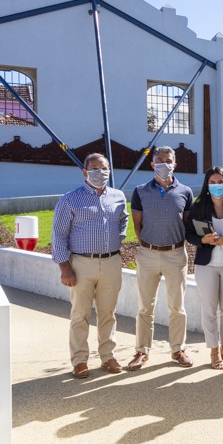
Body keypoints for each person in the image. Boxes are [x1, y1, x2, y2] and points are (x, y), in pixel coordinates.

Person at [52, 153, 129, 379]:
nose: (99, 172)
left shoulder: (118, 196)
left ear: (109, 171)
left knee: (108, 313)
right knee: (80, 314)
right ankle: (79, 360)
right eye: (94, 168)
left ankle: (108, 356)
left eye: (103, 168)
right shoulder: (70, 199)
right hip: (81, 263)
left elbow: (122, 220)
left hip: (111, 262)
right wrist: (64, 267)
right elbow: (58, 234)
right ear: (85, 172)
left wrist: (118, 238)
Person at [126, 146, 195, 370]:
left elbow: (187, 223)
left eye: (168, 160)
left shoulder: (185, 191)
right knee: (145, 307)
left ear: (175, 164)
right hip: (147, 254)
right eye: (159, 160)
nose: (163, 163)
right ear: (152, 164)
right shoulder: (140, 191)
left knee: (177, 306)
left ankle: (178, 349)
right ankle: (142, 351)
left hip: (176, 254)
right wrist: (147, 244)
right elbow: (137, 224)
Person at [186, 166, 223, 369]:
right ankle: (213, 351)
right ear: (207, 185)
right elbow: (189, 234)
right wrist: (203, 239)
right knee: (210, 309)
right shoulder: (199, 206)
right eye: (212, 182)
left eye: (220, 182)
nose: (216, 186)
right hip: (206, 265)